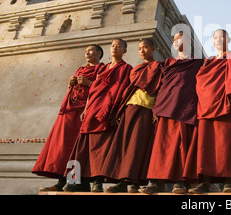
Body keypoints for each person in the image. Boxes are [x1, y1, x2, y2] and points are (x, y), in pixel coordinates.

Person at [185, 29, 231, 194]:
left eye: (221, 36)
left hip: (229, 105)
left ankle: (229, 183)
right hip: (207, 106)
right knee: (206, 144)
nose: (218, 40)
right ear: (213, 41)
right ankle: (204, 183)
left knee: (228, 144)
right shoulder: (208, 61)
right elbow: (201, 81)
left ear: (228, 39)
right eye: (215, 38)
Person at [32, 45, 105, 192]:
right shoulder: (80, 69)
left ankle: (77, 181)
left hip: (86, 111)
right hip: (69, 110)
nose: (87, 53)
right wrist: (69, 85)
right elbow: (71, 92)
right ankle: (61, 180)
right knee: (63, 145)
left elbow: (104, 89)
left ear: (99, 53)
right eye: (85, 51)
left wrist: (89, 83)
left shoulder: (102, 69)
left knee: (77, 147)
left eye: (90, 50)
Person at [64, 39, 133, 192]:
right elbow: (93, 89)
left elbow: (121, 90)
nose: (115, 48)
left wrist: (115, 110)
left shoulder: (126, 68)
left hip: (106, 110)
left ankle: (97, 182)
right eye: (113, 46)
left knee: (100, 148)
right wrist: (86, 108)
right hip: (92, 109)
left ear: (125, 51)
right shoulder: (104, 68)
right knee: (82, 147)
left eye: (119, 46)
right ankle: (73, 180)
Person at [140, 31, 203, 194]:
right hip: (165, 106)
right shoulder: (168, 62)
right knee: (161, 146)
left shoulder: (198, 63)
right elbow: (162, 86)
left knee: (182, 144)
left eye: (180, 39)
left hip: (186, 107)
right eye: (174, 40)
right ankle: (155, 181)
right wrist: (157, 108)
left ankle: (179, 182)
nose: (176, 43)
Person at [101, 38, 163, 193]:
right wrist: (121, 110)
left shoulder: (159, 67)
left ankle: (134, 183)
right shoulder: (137, 69)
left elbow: (161, 90)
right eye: (140, 48)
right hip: (130, 108)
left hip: (147, 109)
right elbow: (128, 91)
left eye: (146, 47)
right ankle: (122, 182)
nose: (142, 51)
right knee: (124, 145)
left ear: (153, 49)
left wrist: (157, 110)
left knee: (138, 146)